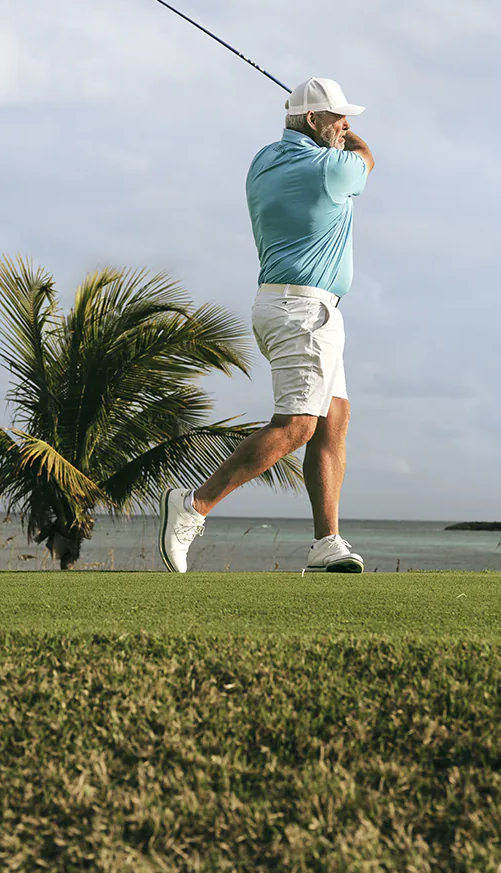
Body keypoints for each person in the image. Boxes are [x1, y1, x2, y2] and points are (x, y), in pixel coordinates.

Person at [159, 76, 374, 574]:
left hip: (285, 306)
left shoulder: (263, 160)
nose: (346, 126)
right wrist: (349, 140)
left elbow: (331, 141)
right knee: (298, 425)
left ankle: (327, 543)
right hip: (305, 312)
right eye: (338, 117)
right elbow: (367, 158)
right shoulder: (329, 168)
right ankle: (192, 507)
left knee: (332, 421)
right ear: (313, 121)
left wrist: (322, 127)